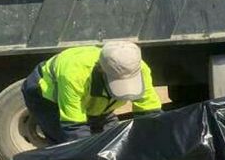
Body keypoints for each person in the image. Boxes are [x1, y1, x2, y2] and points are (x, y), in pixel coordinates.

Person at [21, 41, 162, 143]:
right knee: (67, 149)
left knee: (113, 143)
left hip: (93, 102)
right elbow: (74, 129)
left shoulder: (138, 67)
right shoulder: (75, 73)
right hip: (46, 97)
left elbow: (150, 113)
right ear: (101, 69)